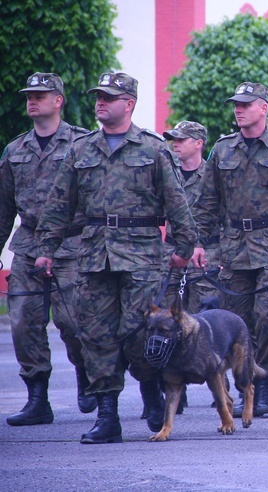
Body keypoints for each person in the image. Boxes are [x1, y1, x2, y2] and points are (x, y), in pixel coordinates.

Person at [35, 72, 197, 444]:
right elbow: (60, 203)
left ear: (129, 104)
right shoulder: (81, 149)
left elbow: (177, 203)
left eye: (109, 97)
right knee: (96, 336)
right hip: (93, 256)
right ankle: (108, 417)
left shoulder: (154, 149)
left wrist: (183, 249)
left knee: (142, 334)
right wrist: (46, 249)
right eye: (98, 97)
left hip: (141, 256)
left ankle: (152, 391)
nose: (100, 102)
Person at [0, 72, 94, 426]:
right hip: (28, 245)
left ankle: (85, 373)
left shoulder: (82, 144)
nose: (32, 100)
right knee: (24, 323)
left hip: (72, 246)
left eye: (40, 95)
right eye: (29, 95)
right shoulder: (15, 150)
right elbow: (4, 208)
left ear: (58, 100)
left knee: (73, 321)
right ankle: (37, 398)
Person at [191, 81, 268, 418]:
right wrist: (200, 242)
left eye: (246, 104)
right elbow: (207, 202)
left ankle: (265, 385)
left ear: (264, 108)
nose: (239, 109)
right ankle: (244, 385)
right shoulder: (222, 150)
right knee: (235, 322)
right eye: (236, 104)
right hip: (233, 249)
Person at [161, 120, 220, 314]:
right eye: (173, 139)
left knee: (201, 317)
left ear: (198, 143)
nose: (175, 143)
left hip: (204, 256)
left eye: (181, 139)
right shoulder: (167, 173)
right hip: (171, 252)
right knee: (165, 316)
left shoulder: (213, 176)